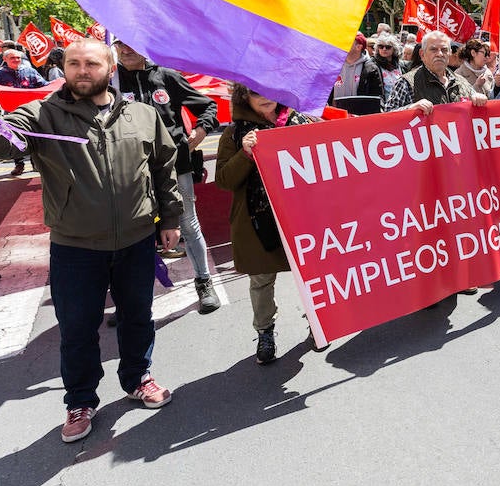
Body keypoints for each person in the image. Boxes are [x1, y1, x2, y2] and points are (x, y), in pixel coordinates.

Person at [0, 37, 182, 444]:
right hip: (76, 247)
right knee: (77, 329)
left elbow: (164, 168)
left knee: (138, 317)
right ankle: (80, 400)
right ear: (63, 67)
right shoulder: (42, 114)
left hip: (136, 241)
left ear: (109, 67)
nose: (83, 70)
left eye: (92, 63)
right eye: (75, 63)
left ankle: (137, 378)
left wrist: (170, 217)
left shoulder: (141, 114)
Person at [114, 39, 220, 314]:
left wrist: (198, 134)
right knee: (134, 231)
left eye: (130, 45)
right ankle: (133, 297)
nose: (125, 51)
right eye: (119, 45)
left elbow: (208, 107)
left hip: (175, 165)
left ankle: (204, 282)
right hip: (131, 170)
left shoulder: (166, 76)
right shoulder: (109, 81)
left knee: (187, 222)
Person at [216, 83, 316, 365]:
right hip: (257, 220)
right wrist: (245, 154)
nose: (268, 99)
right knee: (261, 280)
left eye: (272, 91)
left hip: (301, 216)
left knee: (310, 274)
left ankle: (318, 323)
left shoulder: (299, 121)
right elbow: (223, 180)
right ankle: (265, 333)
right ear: (244, 96)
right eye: (258, 93)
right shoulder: (235, 132)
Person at [384, 30, 489, 113]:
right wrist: (410, 108)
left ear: (449, 54)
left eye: (444, 50)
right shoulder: (406, 83)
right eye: (433, 50)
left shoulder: (461, 82)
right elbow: (387, 117)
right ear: (422, 54)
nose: (439, 54)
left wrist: (478, 98)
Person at [0, 49, 50, 178]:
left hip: (31, 110)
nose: (16, 60)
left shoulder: (29, 71)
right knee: (15, 137)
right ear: (5, 59)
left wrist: (56, 84)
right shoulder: (0, 74)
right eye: (12, 58)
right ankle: (19, 164)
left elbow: (42, 84)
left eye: (18, 58)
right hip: (12, 112)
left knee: (35, 135)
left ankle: (36, 163)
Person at [329, 32, 384, 106]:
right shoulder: (333, 65)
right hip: (336, 115)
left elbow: (377, 98)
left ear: (359, 47)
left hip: (359, 116)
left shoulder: (371, 69)